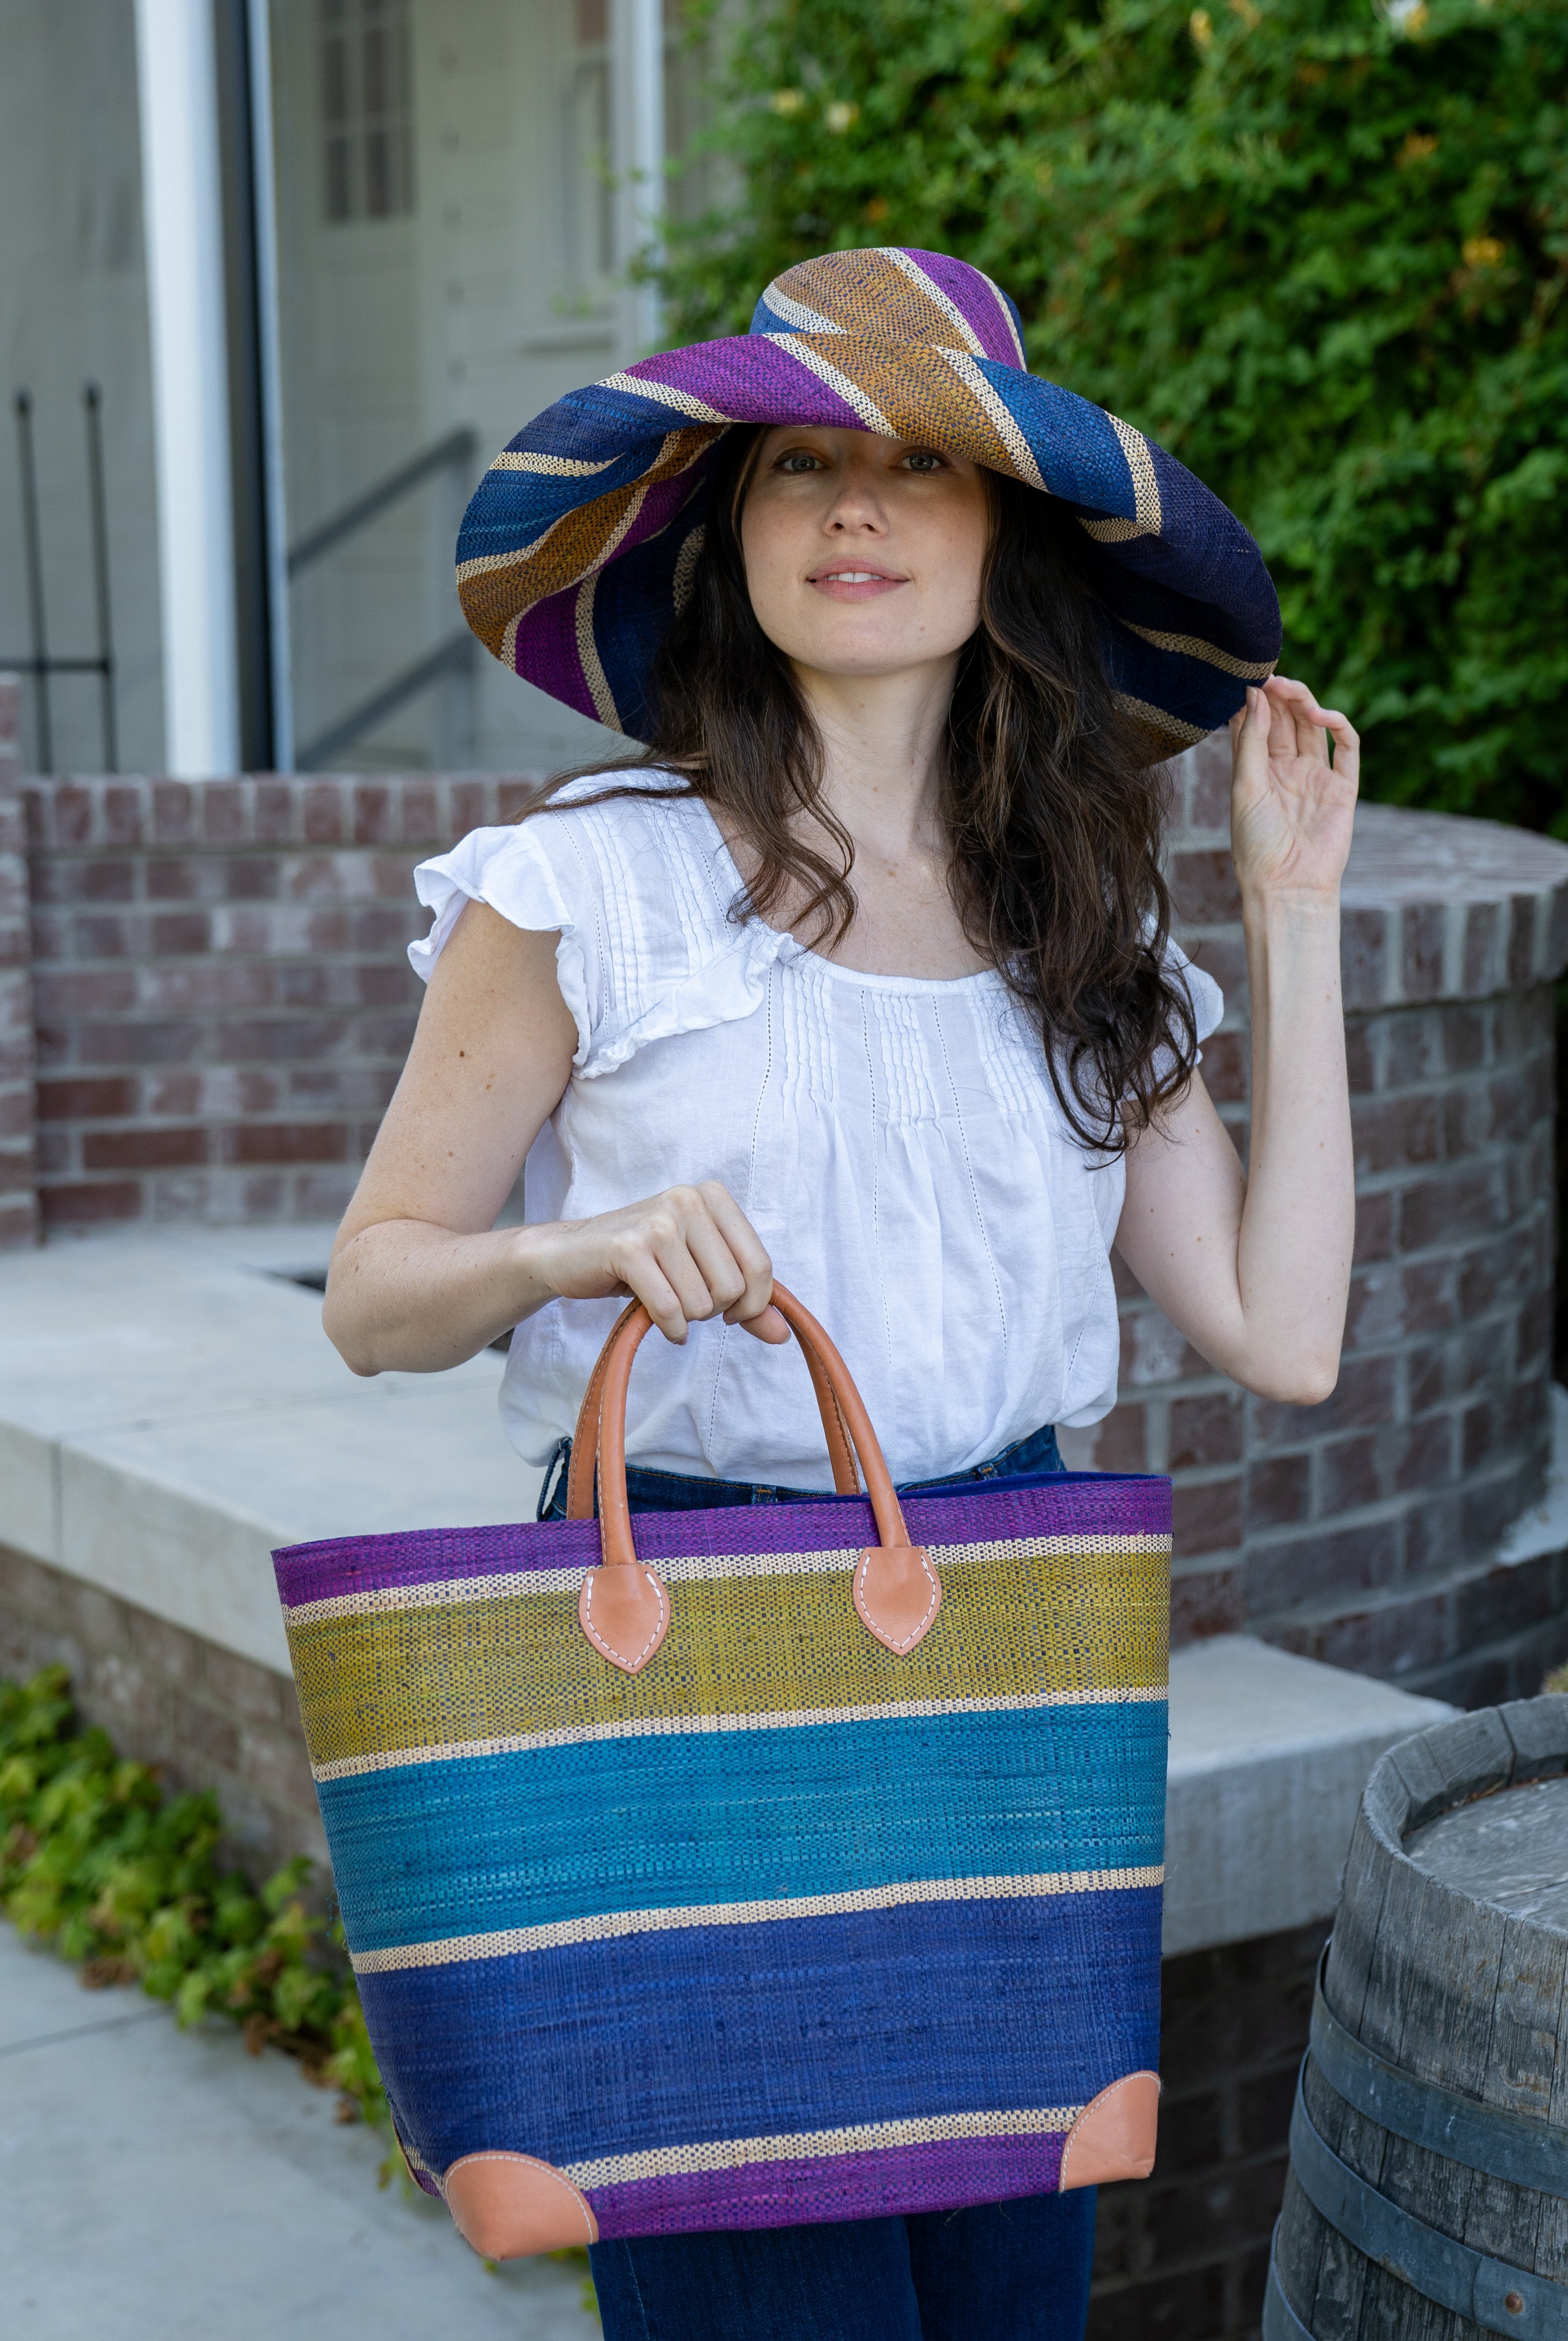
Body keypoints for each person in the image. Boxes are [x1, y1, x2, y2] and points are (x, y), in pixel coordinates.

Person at [322, 248, 1356, 2341]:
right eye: (798, 469)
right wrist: (571, 1248)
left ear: (1008, 547)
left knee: (1007, 2286)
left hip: (1005, 1646)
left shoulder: (1088, 930)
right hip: (684, 1633)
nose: (853, 509)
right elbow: (374, 1293)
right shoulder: (589, 882)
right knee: (756, 2294)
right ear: (734, 543)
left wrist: (1293, 913)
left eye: (915, 468)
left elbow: (1282, 1336)